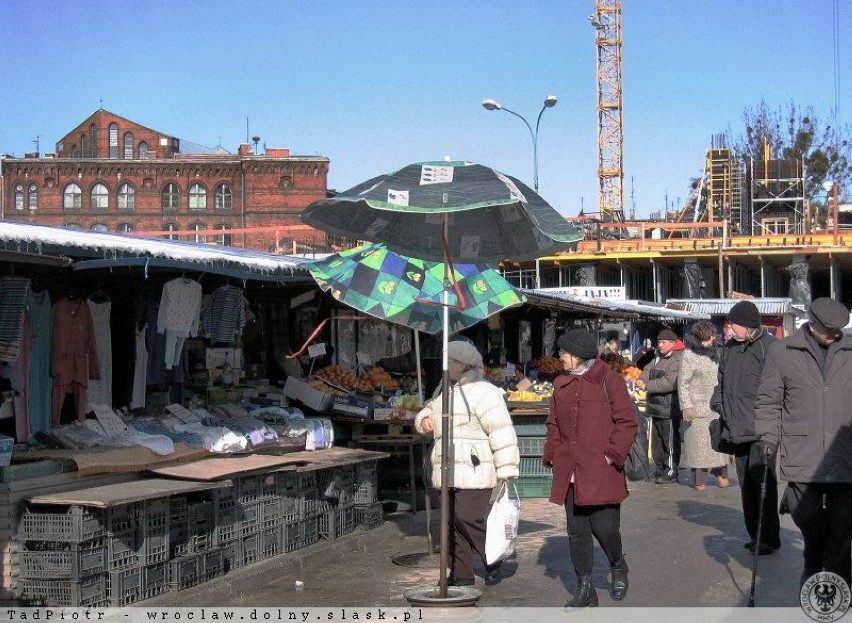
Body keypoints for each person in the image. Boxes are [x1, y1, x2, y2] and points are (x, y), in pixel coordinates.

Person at [755, 297, 852, 588]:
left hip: (844, 452)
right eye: (829, 332)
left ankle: (838, 584)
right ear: (812, 324)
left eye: (838, 331)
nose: (834, 336)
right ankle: (813, 561)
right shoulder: (783, 351)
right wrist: (767, 437)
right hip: (802, 453)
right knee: (807, 519)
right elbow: (769, 400)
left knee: (843, 527)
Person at [542, 328, 638, 607]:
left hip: (602, 470)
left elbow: (627, 422)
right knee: (577, 531)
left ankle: (617, 563)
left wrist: (612, 455)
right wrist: (553, 453)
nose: (560, 357)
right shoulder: (561, 384)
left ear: (579, 356)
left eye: (564, 353)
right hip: (570, 469)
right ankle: (585, 589)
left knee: (605, 528)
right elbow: (553, 424)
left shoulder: (610, 381)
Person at [414, 340, 520, 587]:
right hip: (446, 465)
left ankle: (492, 557)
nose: (444, 367)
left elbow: (501, 431)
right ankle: (461, 574)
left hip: (475, 467)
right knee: (451, 521)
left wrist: (506, 467)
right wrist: (425, 420)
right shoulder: (443, 389)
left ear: (460, 364)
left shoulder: (485, 392)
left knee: (466, 517)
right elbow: (429, 409)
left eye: (447, 362)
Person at [710, 300, 780, 555]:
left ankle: (769, 537)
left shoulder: (769, 348)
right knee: (746, 485)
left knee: (762, 484)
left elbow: (778, 387)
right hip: (735, 427)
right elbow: (721, 380)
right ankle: (755, 533)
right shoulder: (729, 349)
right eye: (729, 324)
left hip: (761, 429)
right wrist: (717, 401)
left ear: (750, 326)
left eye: (734, 325)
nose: (729, 329)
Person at [678, 321, 729, 491]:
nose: (713, 339)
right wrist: (686, 405)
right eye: (710, 336)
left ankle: (721, 474)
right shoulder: (689, 355)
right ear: (701, 338)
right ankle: (699, 480)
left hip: (715, 407)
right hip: (697, 408)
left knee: (718, 446)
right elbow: (683, 382)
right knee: (700, 448)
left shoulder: (715, 352)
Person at [636, 328, 685, 484]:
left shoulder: (677, 358)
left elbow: (669, 383)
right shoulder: (656, 356)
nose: (661, 345)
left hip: (670, 407)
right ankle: (659, 468)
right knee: (656, 441)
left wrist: (647, 385)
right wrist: (641, 379)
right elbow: (647, 369)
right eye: (659, 342)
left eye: (664, 342)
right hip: (655, 405)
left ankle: (671, 471)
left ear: (672, 343)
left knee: (669, 440)